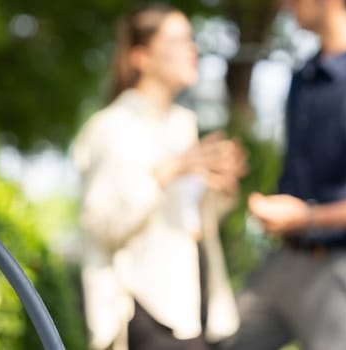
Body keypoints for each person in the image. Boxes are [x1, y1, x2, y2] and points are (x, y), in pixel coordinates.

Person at [227, 0, 346, 349]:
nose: (286, 5)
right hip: (286, 258)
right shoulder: (304, 78)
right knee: (226, 339)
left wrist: (307, 217)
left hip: (342, 269)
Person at [72, 3, 247, 350]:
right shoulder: (112, 127)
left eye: (191, 39)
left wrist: (221, 188)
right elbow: (102, 225)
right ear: (142, 57)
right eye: (178, 40)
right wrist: (167, 172)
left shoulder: (183, 123)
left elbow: (188, 221)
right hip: (146, 314)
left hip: (195, 307)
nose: (192, 49)